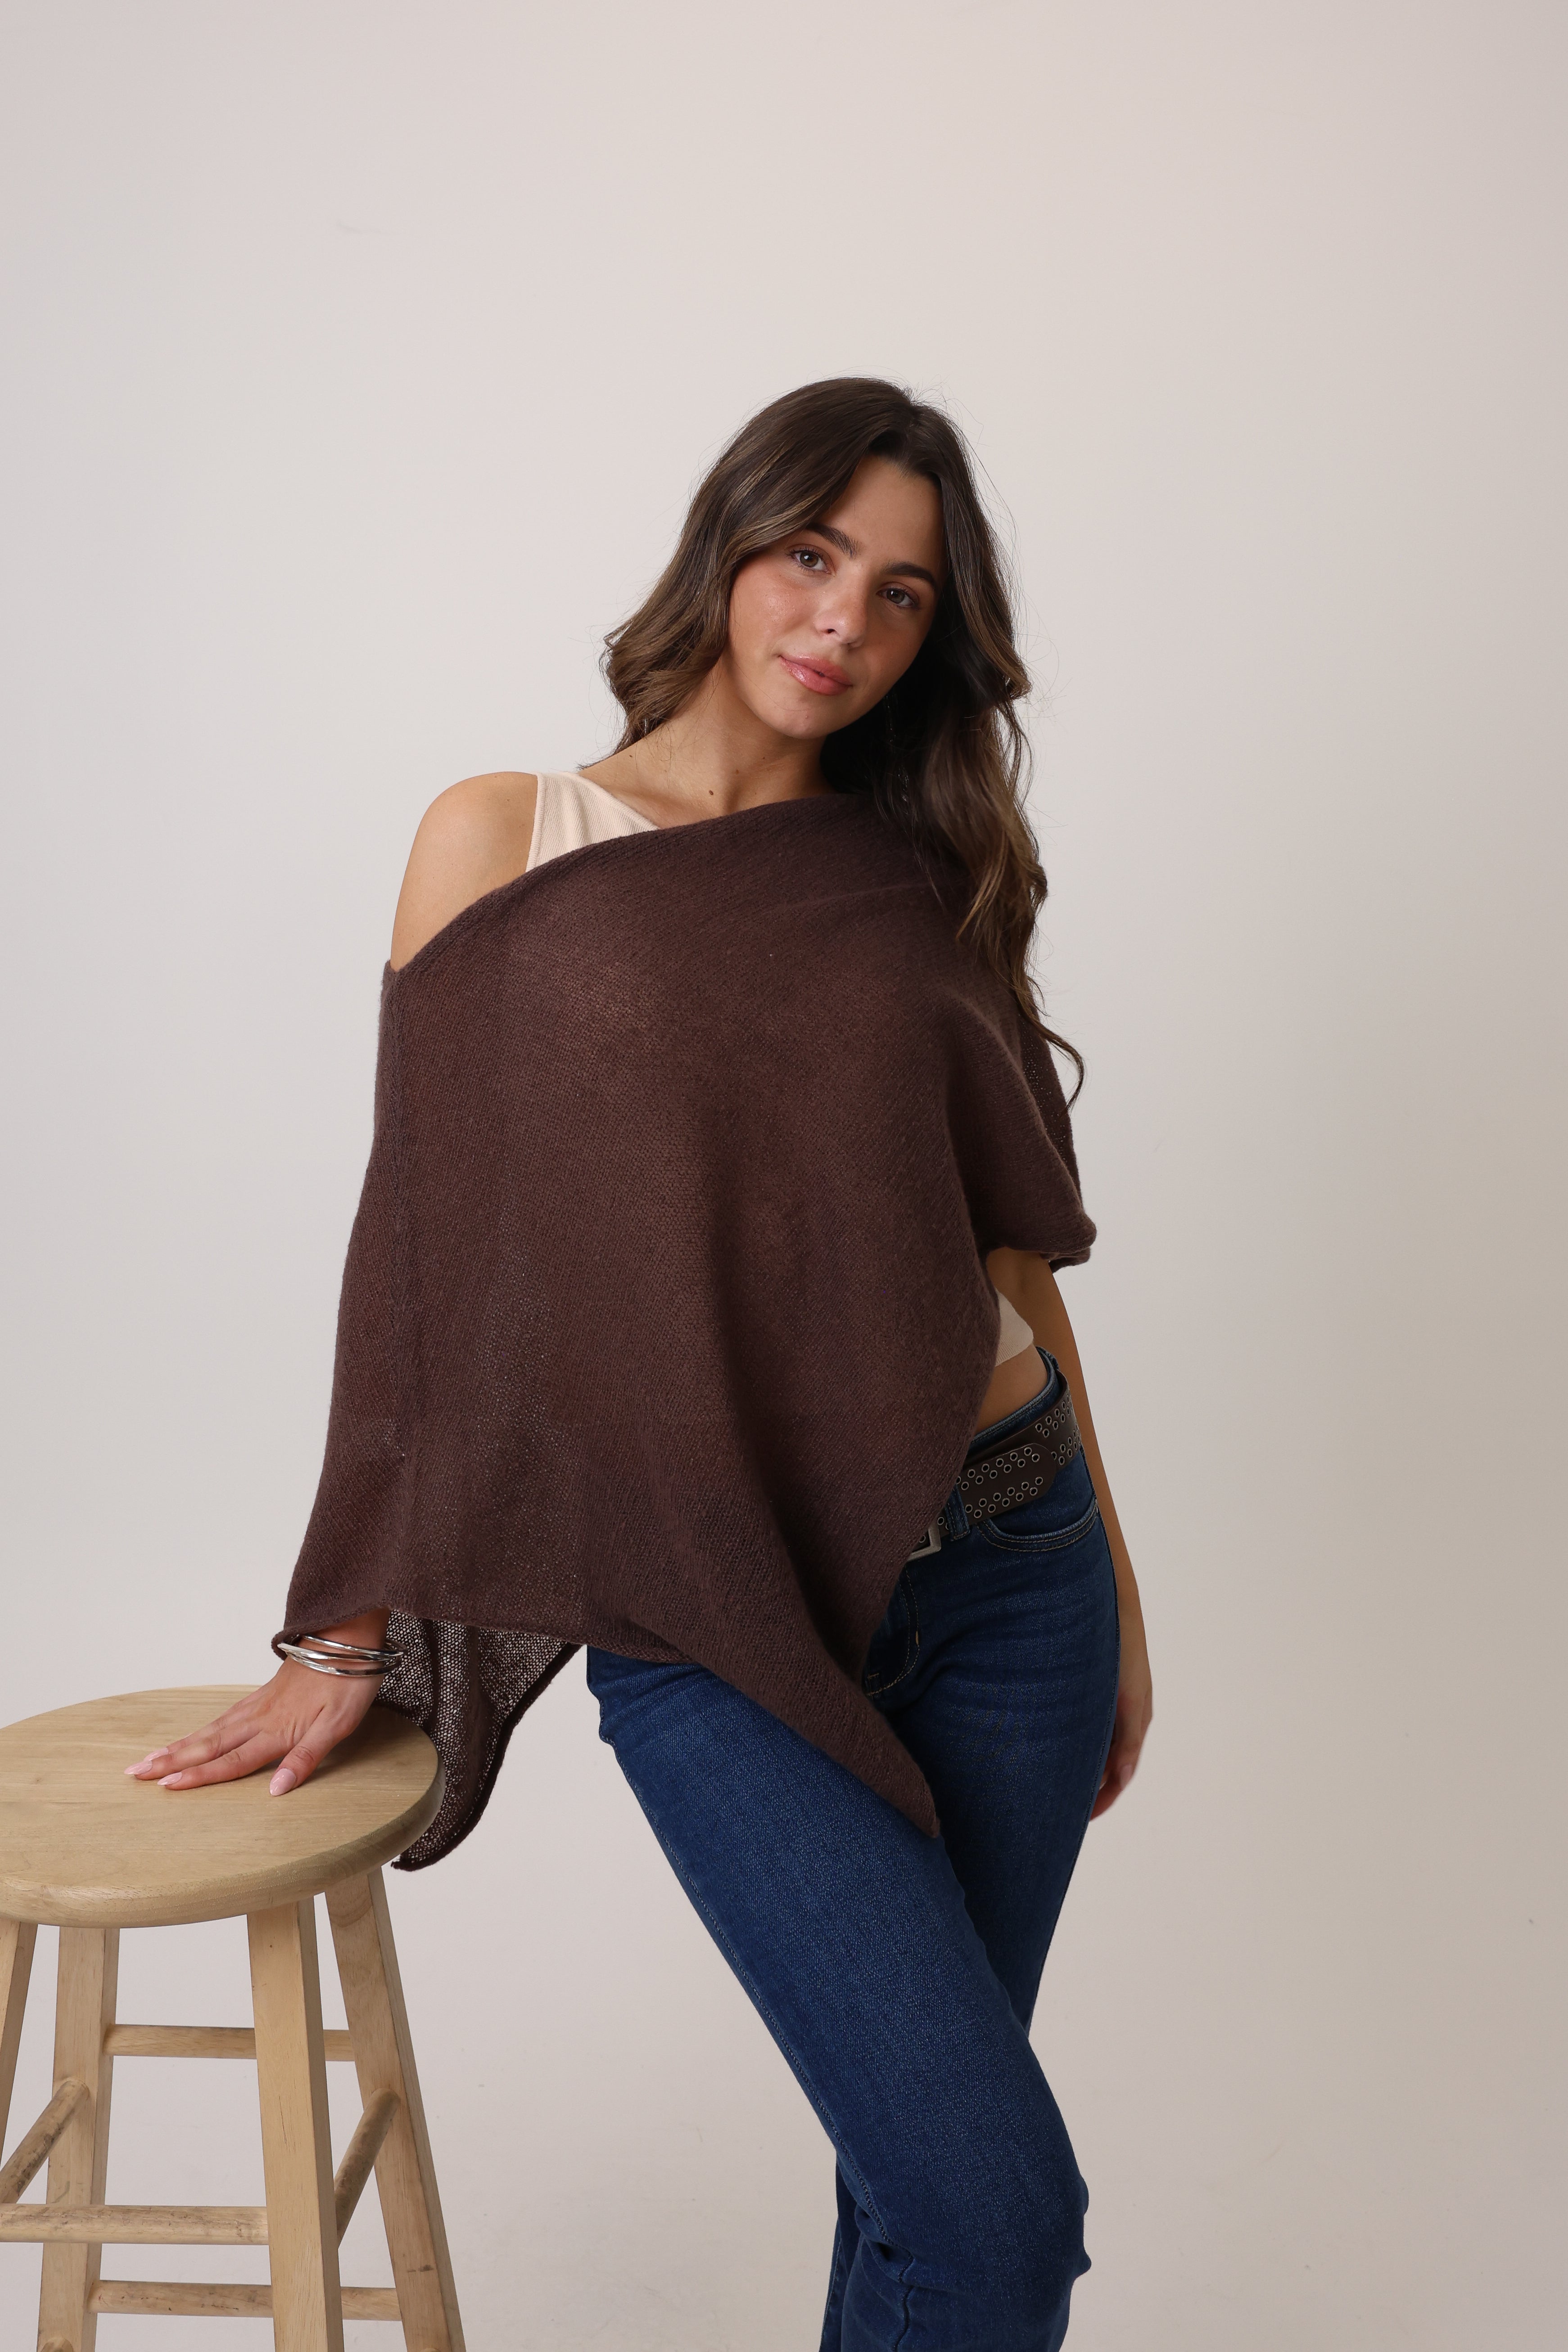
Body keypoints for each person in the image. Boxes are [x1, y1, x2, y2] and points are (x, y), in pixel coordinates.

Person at [128, 378, 1153, 2351]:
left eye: (903, 593)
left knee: (925, 2190)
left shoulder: (904, 871)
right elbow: (422, 1251)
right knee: (997, 2209)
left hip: (1014, 1568)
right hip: (721, 1607)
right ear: (728, 545)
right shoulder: (507, 833)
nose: (843, 620)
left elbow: (1001, 1242)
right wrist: (344, 1621)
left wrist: (1117, 1576)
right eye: (810, 553)